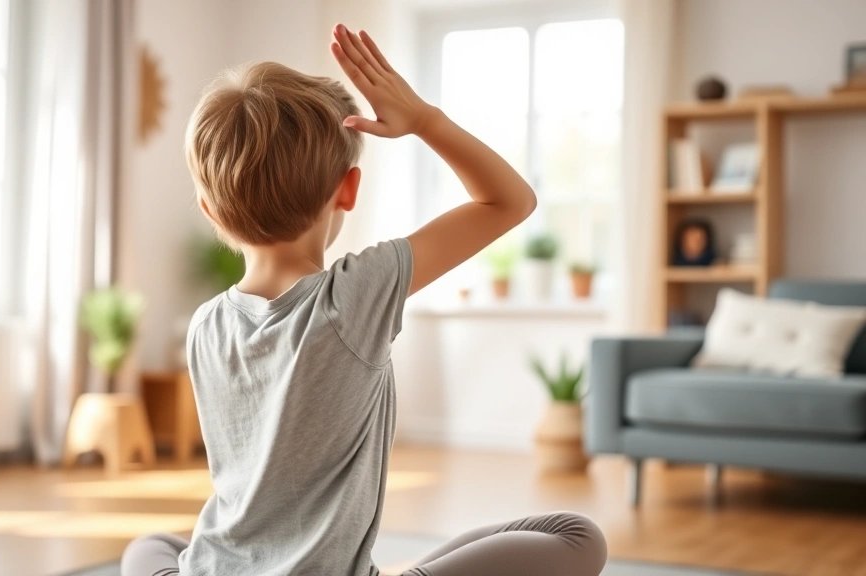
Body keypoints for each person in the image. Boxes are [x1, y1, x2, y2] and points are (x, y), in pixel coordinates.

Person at [122, 23, 606, 576]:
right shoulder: (353, 297)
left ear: (210, 213)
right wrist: (424, 120)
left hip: (215, 569)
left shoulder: (205, 325)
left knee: (151, 546)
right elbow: (509, 200)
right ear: (348, 190)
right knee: (576, 536)